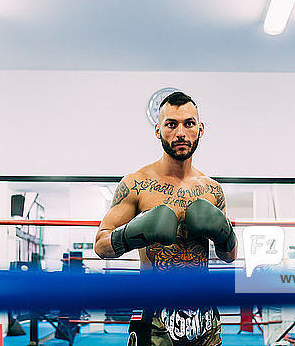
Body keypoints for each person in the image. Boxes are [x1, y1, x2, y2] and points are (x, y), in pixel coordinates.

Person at [94, 91, 237, 346]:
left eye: (188, 123)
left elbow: (230, 256)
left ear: (200, 129)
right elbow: (100, 245)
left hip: (204, 312)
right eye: (171, 124)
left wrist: (223, 232)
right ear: (158, 131)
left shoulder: (212, 189)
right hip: (154, 311)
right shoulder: (137, 184)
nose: (180, 132)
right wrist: (132, 234)